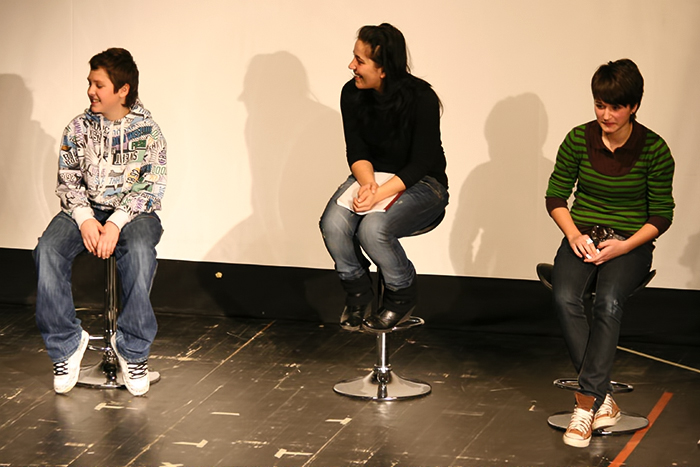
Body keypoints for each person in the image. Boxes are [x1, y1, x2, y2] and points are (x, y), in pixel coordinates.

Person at [545, 59, 674, 447]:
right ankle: (604, 402)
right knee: (564, 295)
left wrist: (625, 245)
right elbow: (556, 196)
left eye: (615, 107)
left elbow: (661, 215)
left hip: (630, 244)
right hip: (583, 236)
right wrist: (573, 235)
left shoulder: (654, 148)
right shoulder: (578, 139)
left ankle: (587, 404)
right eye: (600, 105)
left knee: (608, 301)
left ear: (633, 106)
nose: (606, 115)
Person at [34, 48, 167, 396]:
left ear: (122, 90)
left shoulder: (149, 132)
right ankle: (66, 344)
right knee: (47, 250)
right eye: (90, 83)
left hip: (134, 214)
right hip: (84, 209)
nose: (91, 91)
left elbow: (149, 188)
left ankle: (133, 351)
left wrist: (116, 223)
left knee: (140, 253)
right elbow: (68, 180)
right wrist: (85, 219)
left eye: (99, 84)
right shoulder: (78, 128)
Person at [319, 23, 448, 332]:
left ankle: (401, 294)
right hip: (373, 176)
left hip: (423, 183)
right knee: (333, 224)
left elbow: (421, 163)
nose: (351, 66)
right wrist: (368, 185)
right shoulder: (352, 93)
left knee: (373, 229)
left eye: (359, 60)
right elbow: (356, 150)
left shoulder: (422, 98)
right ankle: (358, 289)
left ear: (384, 68)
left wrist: (378, 194)